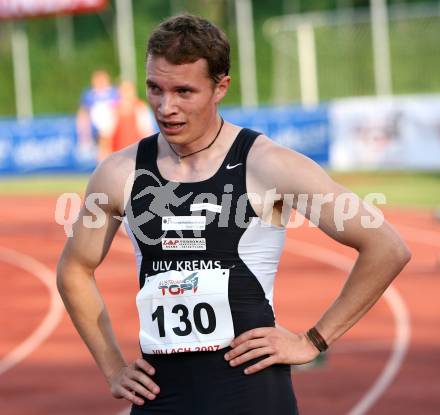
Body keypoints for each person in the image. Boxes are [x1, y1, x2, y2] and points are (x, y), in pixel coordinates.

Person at [57, 14, 411, 415]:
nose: (165, 106)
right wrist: (113, 369)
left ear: (220, 87)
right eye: (154, 88)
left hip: (250, 392)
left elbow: (386, 246)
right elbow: (74, 269)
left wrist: (313, 341)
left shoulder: (269, 165)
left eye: (184, 91)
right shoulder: (118, 172)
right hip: (159, 395)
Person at [76, 69, 119, 161]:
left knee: (108, 147)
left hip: (112, 125)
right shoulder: (89, 94)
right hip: (96, 127)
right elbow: (83, 113)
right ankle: (104, 167)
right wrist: (84, 133)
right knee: (102, 148)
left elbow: (119, 109)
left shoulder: (114, 93)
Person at [110, 80, 155, 153]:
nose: (125, 95)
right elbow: (106, 136)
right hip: (117, 154)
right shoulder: (113, 110)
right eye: (123, 91)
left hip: (137, 153)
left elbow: (147, 133)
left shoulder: (140, 108)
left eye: (128, 91)